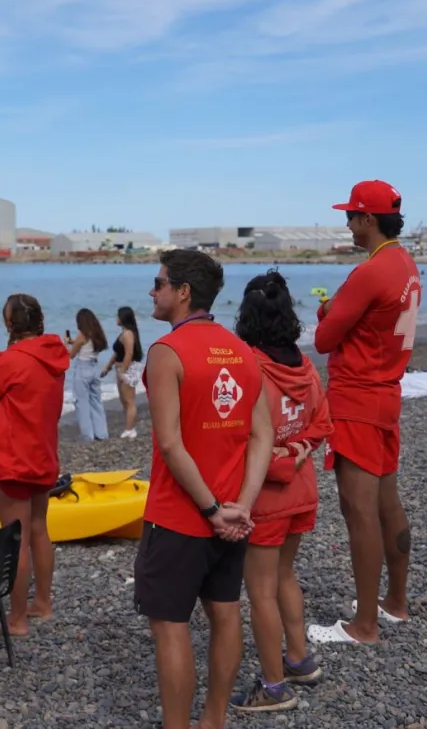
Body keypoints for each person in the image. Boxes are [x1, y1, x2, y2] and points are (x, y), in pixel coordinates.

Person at [134, 250, 274, 729]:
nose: (152, 291)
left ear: (183, 292)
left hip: (181, 514)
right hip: (233, 513)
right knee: (225, 612)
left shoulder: (166, 352)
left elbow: (171, 444)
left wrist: (213, 510)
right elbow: (263, 435)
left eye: (158, 283)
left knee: (170, 626)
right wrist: (243, 506)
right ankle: (214, 720)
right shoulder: (242, 350)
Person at [309, 179, 420, 645]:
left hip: (357, 399)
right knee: (386, 503)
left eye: (351, 217)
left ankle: (365, 625)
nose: (348, 225)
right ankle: (395, 602)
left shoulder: (370, 272)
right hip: (387, 393)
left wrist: (327, 311)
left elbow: (323, 340)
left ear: (368, 219)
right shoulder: (405, 264)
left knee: (359, 512)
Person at [229, 270, 333, 712]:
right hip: (301, 488)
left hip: (266, 496)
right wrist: (297, 449)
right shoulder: (304, 366)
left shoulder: (249, 368)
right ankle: (298, 659)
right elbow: (322, 423)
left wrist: (280, 453)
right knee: (285, 576)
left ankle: (273, 686)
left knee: (261, 591)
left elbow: (241, 436)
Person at [0, 293, 69, 637]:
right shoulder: (54, 357)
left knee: (16, 539)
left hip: (12, 458)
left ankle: (18, 620)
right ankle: (43, 603)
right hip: (43, 453)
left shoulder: (8, 362)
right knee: (39, 528)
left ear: (9, 324)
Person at [64, 308, 109, 442]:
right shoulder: (96, 334)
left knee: (81, 402)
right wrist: (73, 342)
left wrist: (66, 343)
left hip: (83, 369)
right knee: (95, 401)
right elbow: (83, 345)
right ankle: (101, 433)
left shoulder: (82, 335)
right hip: (94, 367)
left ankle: (87, 435)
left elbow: (70, 355)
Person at [101, 306, 144, 439]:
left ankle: (130, 429)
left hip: (128, 369)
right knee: (124, 400)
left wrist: (123, 372)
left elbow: (129, 353)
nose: (116, 318)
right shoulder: (124, 333)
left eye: (118, 316)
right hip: (120, 368)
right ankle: (129, 426)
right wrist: (107, 367)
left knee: (129, 400)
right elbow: (117, 353)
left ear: (123, 318)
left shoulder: (128, 334)